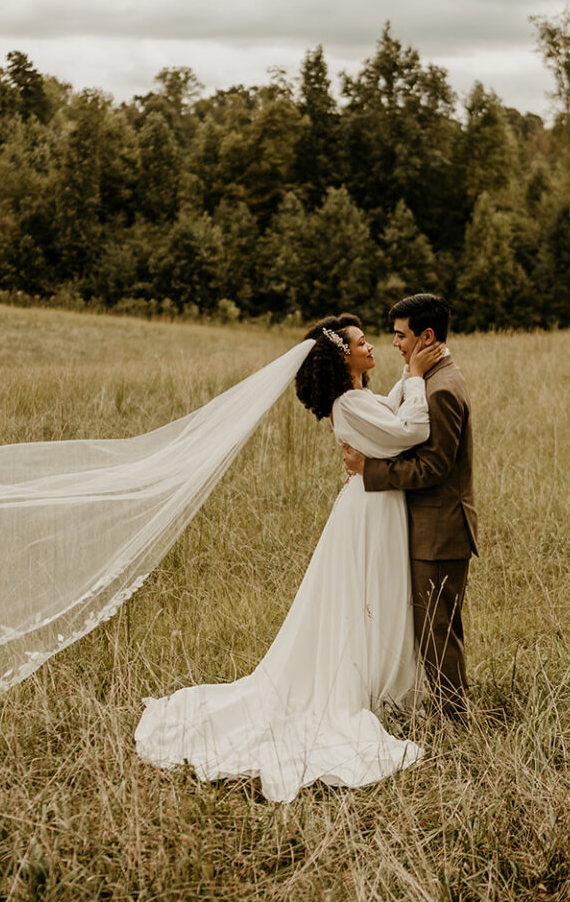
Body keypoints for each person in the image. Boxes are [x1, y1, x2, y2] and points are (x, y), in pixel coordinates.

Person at [134, 313, 446, 801]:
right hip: (369, 511)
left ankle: (383, 687)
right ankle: (373, 691)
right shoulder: (349, 403)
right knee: (367, 594)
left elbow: (388, 414)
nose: (373, 348)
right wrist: (418, 379)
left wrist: (408, 382)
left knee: (374, 595)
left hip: (374, 505)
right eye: (363, 343)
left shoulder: (359, 398)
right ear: (343, 357)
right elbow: (408, 433)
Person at [343, 293, 477, 717]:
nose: (395, 343)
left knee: (437, 628)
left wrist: (371, 470)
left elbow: (433, 468)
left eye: (401, 335)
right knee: (433, 624)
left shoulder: (441, 389)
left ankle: (454, 717)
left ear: (427, 335)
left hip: (440, 530)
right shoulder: (430, 377)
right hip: (429, 526)